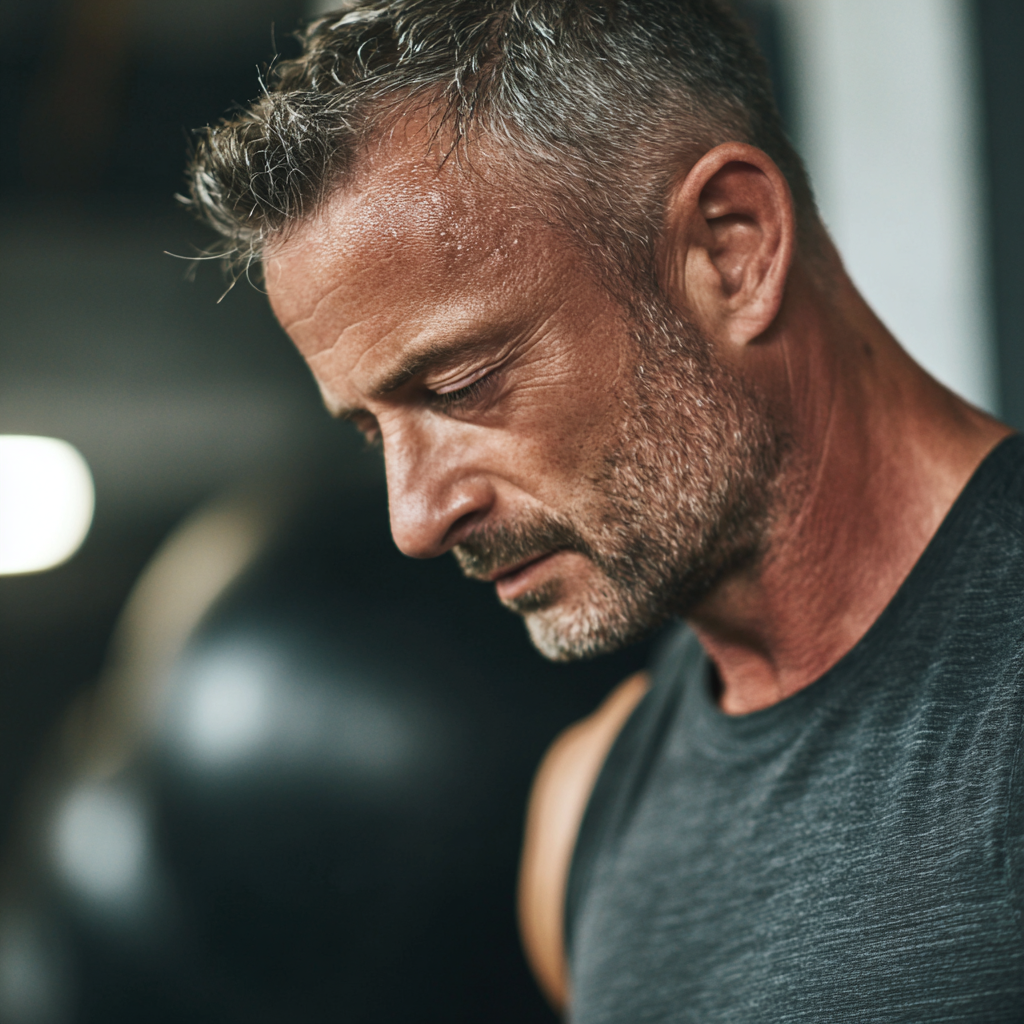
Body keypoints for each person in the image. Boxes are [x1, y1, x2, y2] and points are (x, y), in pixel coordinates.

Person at [184, 1, 1024, 1019]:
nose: (416, 518)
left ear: (732, 247)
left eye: (458, 386)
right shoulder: (584, 813)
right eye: (372, 430)